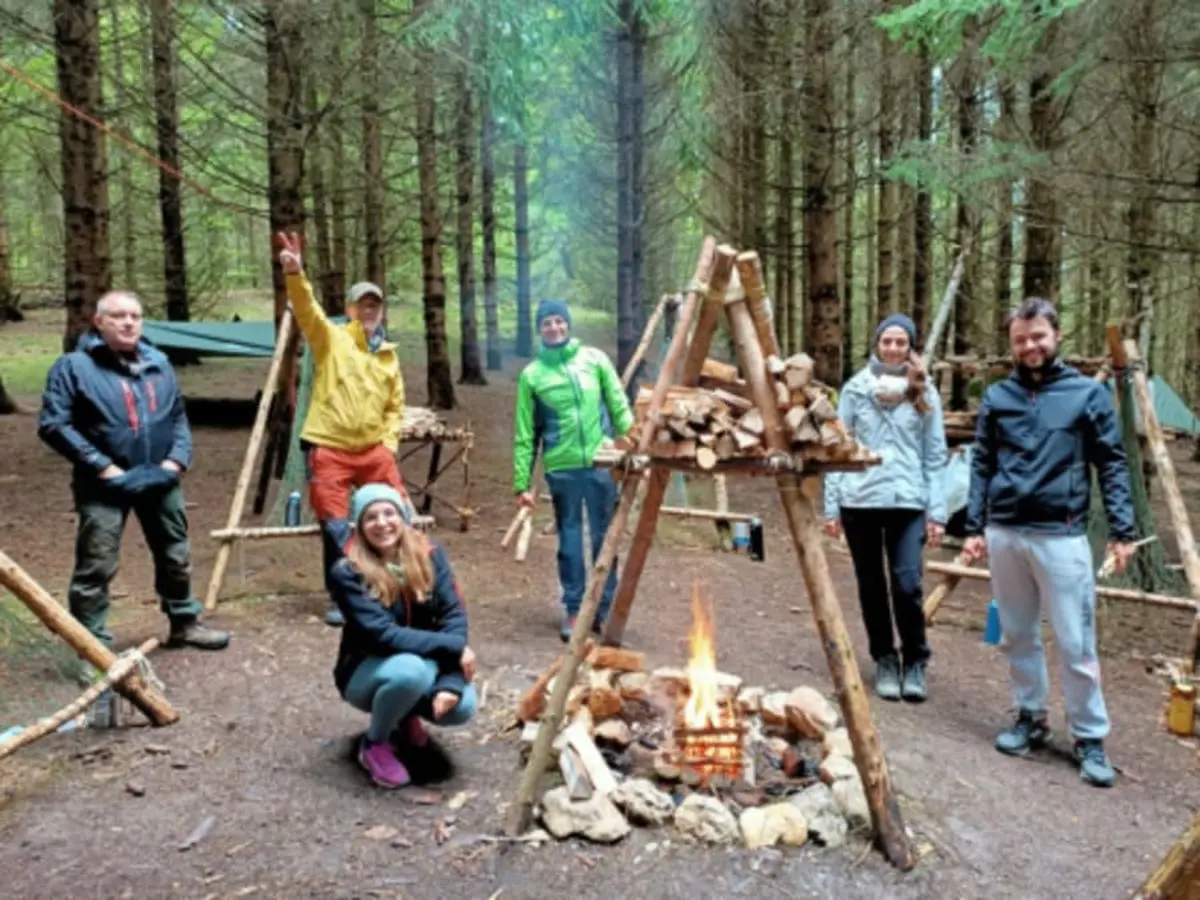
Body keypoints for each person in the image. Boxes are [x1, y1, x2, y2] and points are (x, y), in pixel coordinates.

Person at [962, 297, 1137, 788]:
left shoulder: (1086, 396)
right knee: (1017, 634)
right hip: (1006, 532)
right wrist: (975, 527)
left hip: (1061, 536)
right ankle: (1030, 716)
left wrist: (1122, 532)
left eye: (1037, 336)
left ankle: (1088, 735)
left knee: (1076, 642)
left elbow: (1113, 463)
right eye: (1020, 339)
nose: (1029, 346)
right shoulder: (998, 397)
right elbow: (981, 464)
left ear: (1055, 336)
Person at [37, 291, 229, 655]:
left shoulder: (160, 363)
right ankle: (90, 643)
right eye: (119, 316)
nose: (128, 323)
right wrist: (101, 465)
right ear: (99, 322)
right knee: (97, 561)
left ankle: (185, 622)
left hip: (160, 477)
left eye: (135, 316)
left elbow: (177, 417)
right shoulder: (74, 367)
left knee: (175, 554)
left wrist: (176, 461)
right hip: (104, 484)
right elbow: (53, 425)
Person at [276, 232, 409, 627]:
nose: (370, 311)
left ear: (382, 311)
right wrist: (296, 274)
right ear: (351, 309)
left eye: (376, 305)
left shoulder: (388, 356)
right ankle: (343, 597)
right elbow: (307, 310)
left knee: (395, 516)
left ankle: (394, 587)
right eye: (363, 304)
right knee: (335, 526)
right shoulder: (331, 339)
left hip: (374, 452)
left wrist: (388, 445)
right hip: (330, 448)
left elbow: (395, 406)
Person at [824, 313, 947, 702]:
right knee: (871, 585)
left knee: (907, 583)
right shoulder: (855, 390)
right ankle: (884, 658)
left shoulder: (924, 392)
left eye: (901, 342)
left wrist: (937, 511)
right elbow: (836, 448)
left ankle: (915, 659)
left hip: (907, 500)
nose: (893, 348)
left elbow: (935, 453)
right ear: (877, 344)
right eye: (887, 341)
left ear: (910, 348)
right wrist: (831, 507)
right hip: (859, 499)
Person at [329, 483, 476, 789]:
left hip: (424, 662)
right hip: (366, 672)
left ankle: (405, 715)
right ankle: (375, 744)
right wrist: (456, 649)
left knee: (462, 706)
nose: (382, 523)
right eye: (371, 517)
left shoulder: (431, 555)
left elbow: (454, 616)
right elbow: (383, 635)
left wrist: (451, 679)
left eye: (389, 513)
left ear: (403, 517)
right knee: (411, 672)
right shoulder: (348, 571)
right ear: (359, 527)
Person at [513, 299, 635, 642]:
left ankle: (604, 609)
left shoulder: (594, 360)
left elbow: (617, 402)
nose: (554, 328)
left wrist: (633, 439)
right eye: (547, 323)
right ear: (540, 330)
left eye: (558, 321)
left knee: (603, 538)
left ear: (568, 324)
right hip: (563, 468)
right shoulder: (532, 376)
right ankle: (573, 609)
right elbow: (525, 432)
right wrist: (521, 482)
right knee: (569, 539)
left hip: (601, 462)